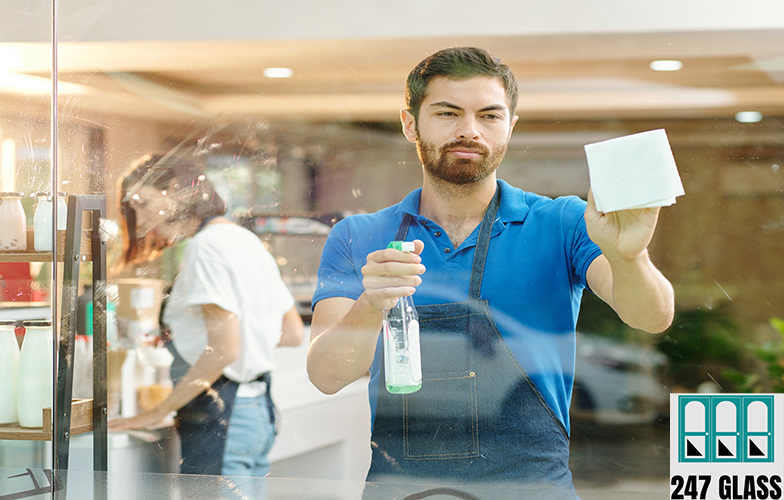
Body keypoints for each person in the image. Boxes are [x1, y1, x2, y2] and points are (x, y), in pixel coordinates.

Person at [306, 47, 675, 495]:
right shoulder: (358, 235)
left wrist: (629, 256)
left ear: (510, 126)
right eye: (448, 113)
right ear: (410, 124)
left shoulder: (562, 223)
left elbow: (651, 317)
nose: (469, 131)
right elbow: (326, 377)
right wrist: (372, 303)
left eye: (489, 116)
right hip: (404, 490)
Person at [108, 154, 305, 482]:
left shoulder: (205, 247)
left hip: (222, 417)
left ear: (175, 189)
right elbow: (292, 332)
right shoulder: (246, 240)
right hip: (257, 413)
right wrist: (246, 340)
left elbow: (224, 350)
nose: (139, 218)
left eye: (143, 202)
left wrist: (158, 411)